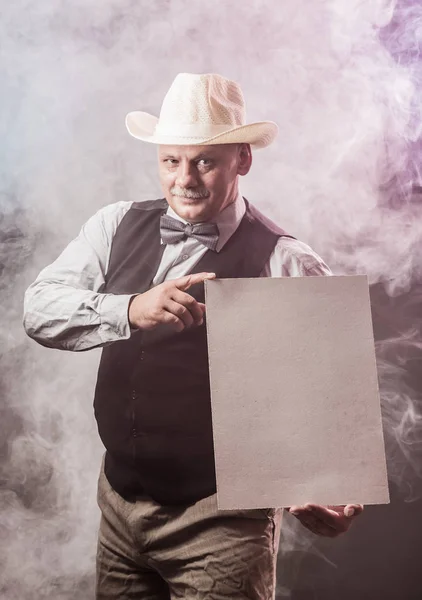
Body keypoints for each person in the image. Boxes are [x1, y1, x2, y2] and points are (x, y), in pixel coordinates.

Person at [23, 72, 363, 600]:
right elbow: (39, 311)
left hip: (221, 524)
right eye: (170, 160)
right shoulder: (114, 225)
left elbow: (332, 395)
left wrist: (330, 486)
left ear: (242, 160)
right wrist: (132, 308)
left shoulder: (285, 258)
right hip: (118, 508)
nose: (185, 178)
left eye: (204, 160)